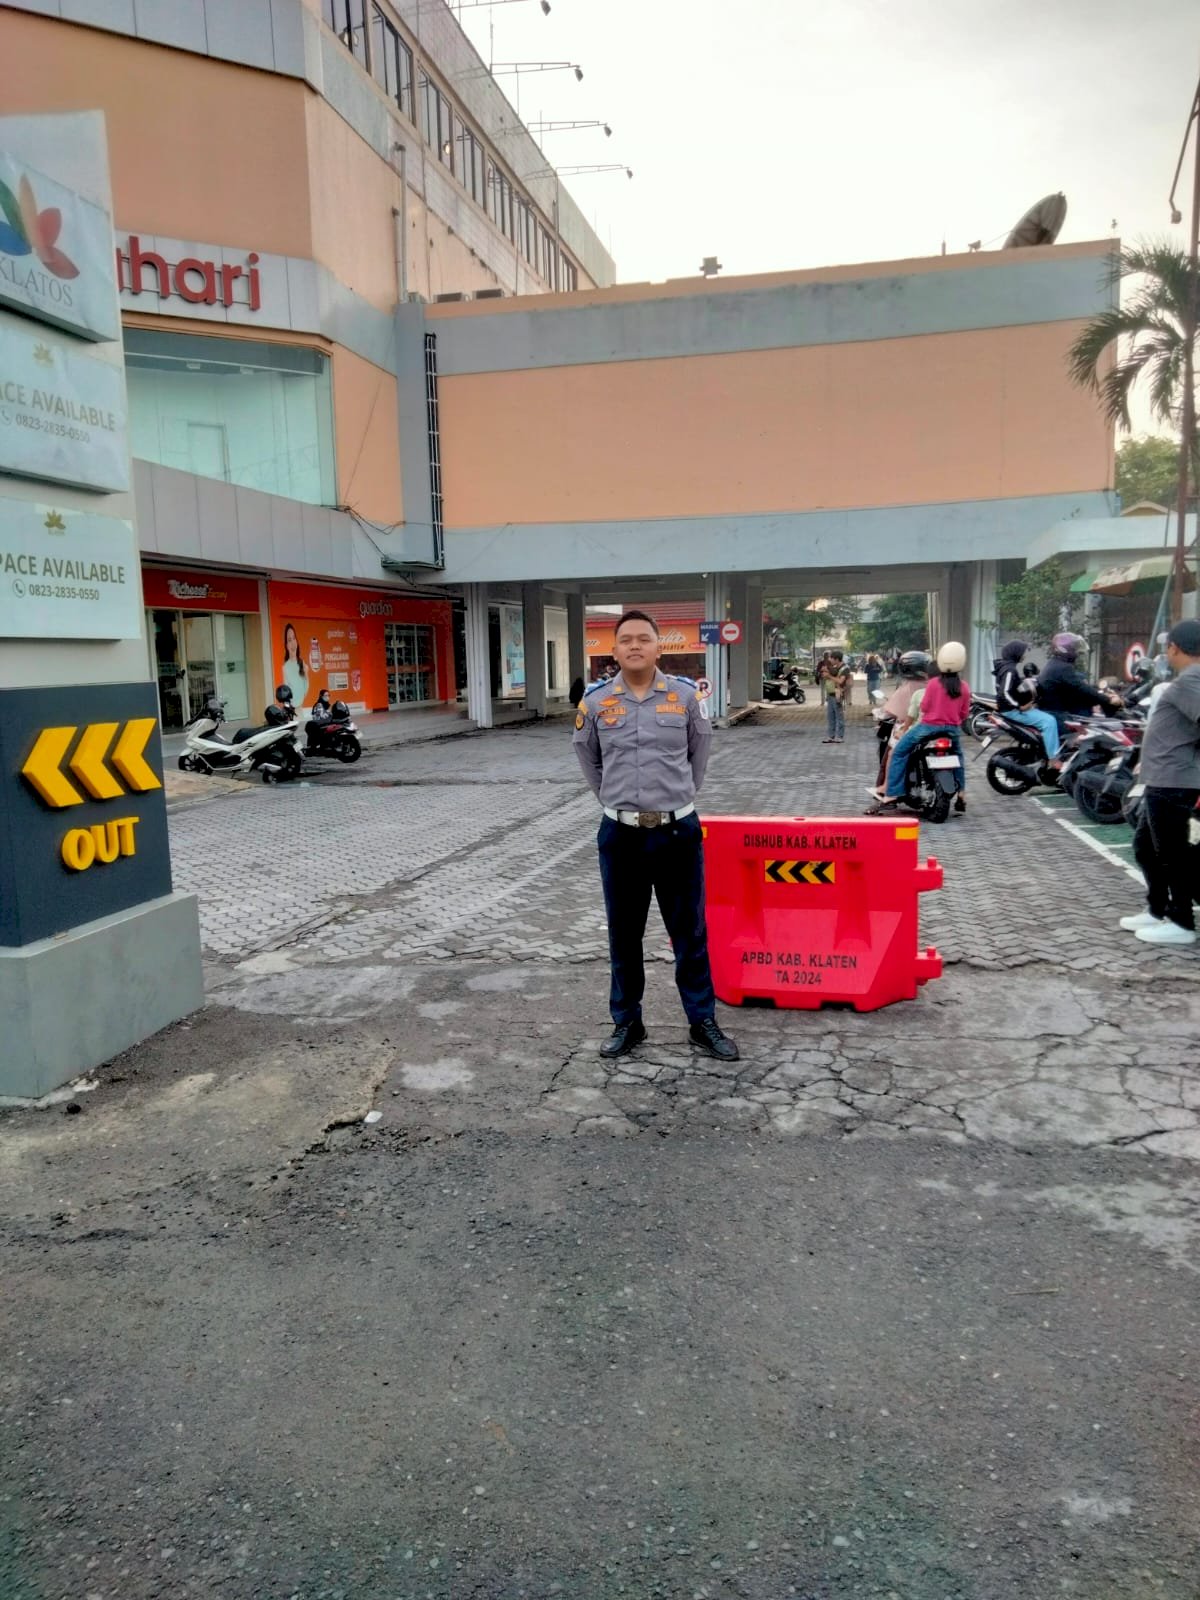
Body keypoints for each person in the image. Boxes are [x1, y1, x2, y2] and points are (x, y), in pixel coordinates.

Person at [572, 609, 738, 1063]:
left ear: (658, 646)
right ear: (615, 649)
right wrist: (615, 799)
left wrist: (674, 799)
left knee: (690, 931)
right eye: (625, 639)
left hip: (678, 832)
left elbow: (698, 755)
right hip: (620, 835)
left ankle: (702, 1021)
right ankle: (628, 1021)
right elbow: (588, 759)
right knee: (624, 934)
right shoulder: (596, 702)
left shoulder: (685, 698)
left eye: (644, 638)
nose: (634, 646)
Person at [1120, 619, 1200, 947]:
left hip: (1175, 781)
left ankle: (1181, 922)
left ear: (1173, 648)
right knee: (1147, 848)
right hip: (1163, 779)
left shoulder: (1192, 679)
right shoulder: (1188, 679)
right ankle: (1157, 909)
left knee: (1171, 854)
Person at [871, 641, 970, 814]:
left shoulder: (932, 684)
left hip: (928, 728)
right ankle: (961, 793)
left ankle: (892, 794)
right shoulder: (964, 686)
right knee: (959, 759)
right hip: (952, 730)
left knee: (899, 752)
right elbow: (964, 713)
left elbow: (924, 707)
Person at [868, 650, 931, 797]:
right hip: (938, 728)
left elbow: (894, 711)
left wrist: (878, 712)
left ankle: (888, 787)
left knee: (893, 754)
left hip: (912, 728)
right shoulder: (936, 685)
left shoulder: (908, 688)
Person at [1036, 632, 1121, 734]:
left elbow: (1079, 686)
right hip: (1058, 713)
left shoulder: (1055, 664)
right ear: (1065, 649)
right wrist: (1108, 700)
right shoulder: (1063, 668)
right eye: (1074, 647)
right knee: (1087, 733)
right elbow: (1081, 688)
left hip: (1054, 709)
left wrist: (1098, 694)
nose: (1077, 651)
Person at [993, 640, 1061, 762]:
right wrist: (1019, 706)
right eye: (1022, 652)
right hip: (1011, 711)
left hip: (1007, 710)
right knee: (1049, 721)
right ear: (1016, 653)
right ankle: (1054, 759)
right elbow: (1004, 693)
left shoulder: (1005, 668)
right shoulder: (1009, 670)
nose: (1024, 655)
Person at [822, 650, 853, 742]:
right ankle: (831, 736)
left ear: (837, 659)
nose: (830, 660)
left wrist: (829, 676)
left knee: (839, 716)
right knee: (830, 716)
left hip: (838, 694)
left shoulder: (845, 668)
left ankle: (840, 736)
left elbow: (840, 681)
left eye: (832, 658)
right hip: (830, 694)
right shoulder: (835, 667)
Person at [281, 622, 308, 710]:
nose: (293, 642)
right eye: (289, 640)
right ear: (286, 645)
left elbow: (305, 688)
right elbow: (286, 692)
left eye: (294, 638)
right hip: (291, 709)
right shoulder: (285, 667)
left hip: (300, 708)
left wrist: (306, 673)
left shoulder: (302, 663)